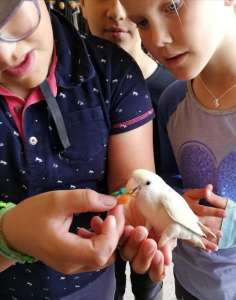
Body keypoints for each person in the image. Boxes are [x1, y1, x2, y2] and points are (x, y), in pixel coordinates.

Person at [0, 1, 171, 299]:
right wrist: (10, 235)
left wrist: (147, 222)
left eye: (9, 13)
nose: (4, 52)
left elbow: (130, 196)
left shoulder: (113, 73)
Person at [120, 0, 236, 299]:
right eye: (142, 22)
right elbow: (172, 181)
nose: (156, 40)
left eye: (172, 6)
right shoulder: (172, 102)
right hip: (191, 282)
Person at [79, 1, 175, 299]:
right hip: (95, 238)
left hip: (154, 234)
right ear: (81, 4)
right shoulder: (70, 90)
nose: (117, 12)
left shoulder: (172, 91)